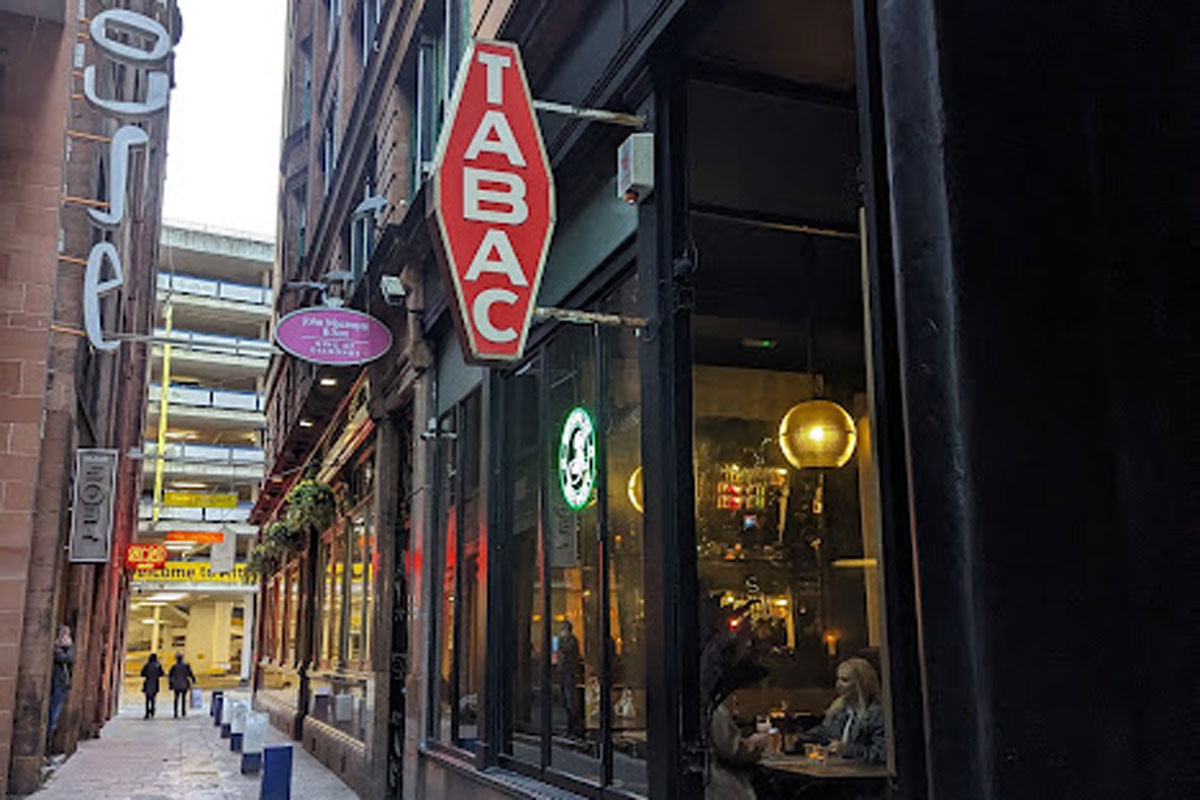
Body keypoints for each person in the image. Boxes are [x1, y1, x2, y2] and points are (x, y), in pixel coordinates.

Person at [700, 607, 770, 800]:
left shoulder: (705, 699)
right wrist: (756, 744)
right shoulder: (712, 704)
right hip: (720, 787)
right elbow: (731, 749)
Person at [804, 657, 886, 765]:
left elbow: (882, 754)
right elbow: (825, 732)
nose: (838, 685)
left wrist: (847, 750)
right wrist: (800, 738)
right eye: (838, 679)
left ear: (861, 684)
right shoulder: (839, 710)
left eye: (845, 680)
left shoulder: (876, 714)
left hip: (865, 777)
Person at [46, 625, 73, 751]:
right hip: (56, 686)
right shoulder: (57, 650)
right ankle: (46, 750)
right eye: (66, 635)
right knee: (52, 718)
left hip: (60, 686)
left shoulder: (61, 649)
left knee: (54, 719)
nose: (68, 638)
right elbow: (67, 658)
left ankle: (48, 749)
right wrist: (68, 647)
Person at [556, 620, 584, 738]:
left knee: (571, 701)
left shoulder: (572, 641)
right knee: (566, 700)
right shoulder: (562, 640)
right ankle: (569, 728)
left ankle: (574, 729)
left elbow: (567, 650)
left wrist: (559, 643)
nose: (562, 632)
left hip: (570, 674)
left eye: (564, 629)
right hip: (564, 673)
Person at [168, 652, 196, 718]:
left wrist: (170, 683)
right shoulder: (186, 666)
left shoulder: (174, 667)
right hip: (184, 684)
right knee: (183, 698)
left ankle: (175, 712)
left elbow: (170, 676)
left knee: (176, 698)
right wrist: (193, 680)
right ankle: (183, 711)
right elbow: (190, 674)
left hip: (176, 685)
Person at [140, 653, 163, 719]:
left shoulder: (147, 665)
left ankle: (147, 712)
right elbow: (161, 673)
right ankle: (152, 711)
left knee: (147, 699)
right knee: (153, 698)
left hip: (147, 682)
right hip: (155, 682)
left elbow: (142, 673)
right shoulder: (158, 665)